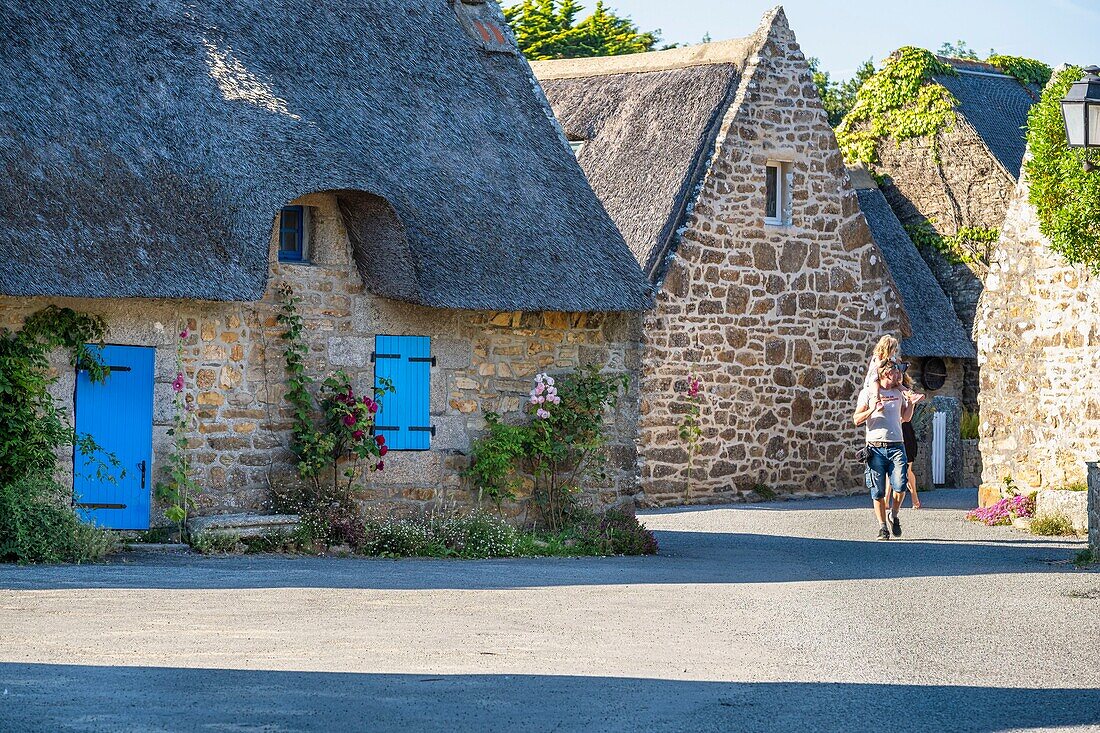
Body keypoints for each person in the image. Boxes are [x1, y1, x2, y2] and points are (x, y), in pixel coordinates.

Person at [853, 361, 914, 540]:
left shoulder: (899, 393)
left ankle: (893, 515)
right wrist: (872, 410)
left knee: (900, 485)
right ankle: (882, 527)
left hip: (896, 445)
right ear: (886, 374)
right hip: (875, 447)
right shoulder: (868, 393)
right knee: (878, 491)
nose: (900, 376)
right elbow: (856, 419)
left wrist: (911, 403)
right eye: (896, 373)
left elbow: (906, 418)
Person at [900, 372, 925, 509]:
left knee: (907, 468)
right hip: (894, 430)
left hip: (905, 431)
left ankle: (914, 496)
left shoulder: (908, 394)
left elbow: (908, 416)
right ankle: (886, 500)